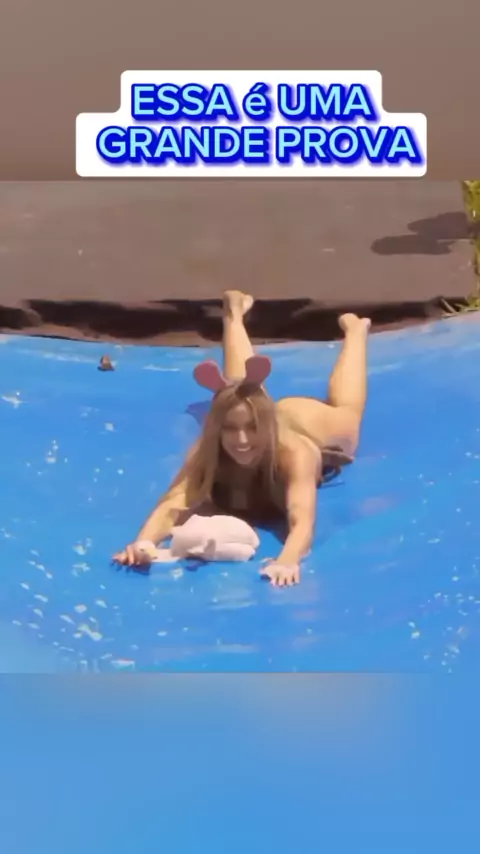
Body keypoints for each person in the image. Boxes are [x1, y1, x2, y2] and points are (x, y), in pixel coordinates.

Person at [113, 290, 370, 586]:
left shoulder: (293, 453)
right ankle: (233, 315)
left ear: (267, 428)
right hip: (252, 410)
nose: (242, 440)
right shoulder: (208, 449)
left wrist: (287, 560)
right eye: (229, 429)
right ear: (217, 429)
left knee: (347, 417)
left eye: (252, 428)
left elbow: (302, 521)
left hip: (304, 424)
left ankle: (355, 331)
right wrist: (144, 543)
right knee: (238, 391)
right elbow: (173, 504)